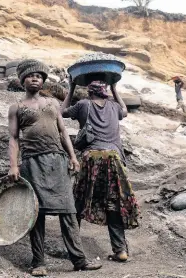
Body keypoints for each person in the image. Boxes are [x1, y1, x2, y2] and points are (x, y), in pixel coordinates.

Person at [7, 59, 102, 276]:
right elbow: (13, 139)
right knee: (36, 213)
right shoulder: (17, 108)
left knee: (68, 210)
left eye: (39, 76)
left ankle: (79, 260)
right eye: (31, 76)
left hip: (57, 162)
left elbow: (62, 132)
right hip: (32, 163)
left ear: (43, 81)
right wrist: (14, 165)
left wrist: (73, 157)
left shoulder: (52, 104)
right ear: (23, 80)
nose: (35, 79)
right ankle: (38, 263)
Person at [61, 78, 139, 263]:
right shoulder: (114, 106)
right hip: (114, 158)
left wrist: (70, 88)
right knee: (113, 203)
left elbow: (61, 112)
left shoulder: (83, 104)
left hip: (91, 157)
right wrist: (115, 88)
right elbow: (125, 111)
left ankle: (73, 249)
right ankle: (120, 250)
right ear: (105, 91)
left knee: (78, 202)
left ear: (89, 92)